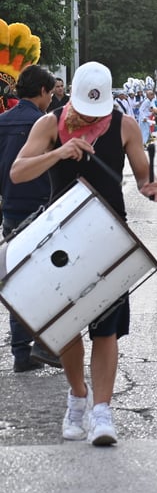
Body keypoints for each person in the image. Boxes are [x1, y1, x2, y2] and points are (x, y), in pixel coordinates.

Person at [10, 61, 157, 446]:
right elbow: (18, 173)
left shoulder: (125, 125)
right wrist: (59, 153)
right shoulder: (49, 123)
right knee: (66, 324)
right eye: (82, 108)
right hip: (62, 235)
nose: (88, 117)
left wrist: (149, 186)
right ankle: (78, 397)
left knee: (106, 329)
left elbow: (144, 176)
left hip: (110, 234)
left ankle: (102, 411)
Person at [0, 31, 62, 372]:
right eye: (50, 93)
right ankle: (46, 343)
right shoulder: (45, 125)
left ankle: (21, 352)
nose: (52, 99)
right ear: (42, 92)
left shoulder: (2, 122)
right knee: (51, 279)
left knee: (18, 281)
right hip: (43, 210)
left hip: (11, 212)